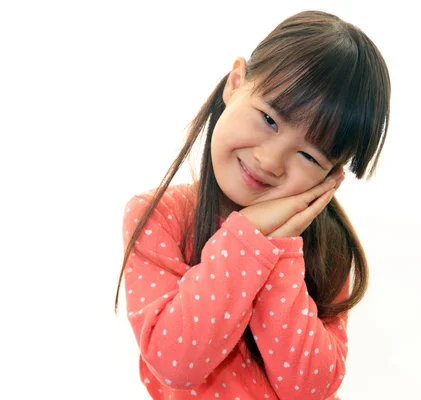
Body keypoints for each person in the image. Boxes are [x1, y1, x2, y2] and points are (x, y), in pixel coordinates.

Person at [115, 9, 391, 400]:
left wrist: (277, 248)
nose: (270, 161)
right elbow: (175, 360)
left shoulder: (327, 244)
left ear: (332, 179)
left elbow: (310, 388)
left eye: (309, 157)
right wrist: (247, 237)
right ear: (236, 82)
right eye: (270, 119)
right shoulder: (160, 217)